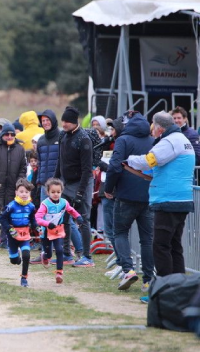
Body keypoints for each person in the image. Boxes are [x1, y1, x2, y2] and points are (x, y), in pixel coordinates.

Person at [126, 111, 195, 279]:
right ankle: (178, 287)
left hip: (168, 200)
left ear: (159, 127)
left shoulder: (169, 142)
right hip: (182, 199)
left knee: (160, 246)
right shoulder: (183, 140)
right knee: (174, 246)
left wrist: (128, 160)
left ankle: (164, 288)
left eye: (153, 126)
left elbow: (148, 160)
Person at [104, 112, 154, 291]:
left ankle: (128, 270)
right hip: (149, 195)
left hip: (125, 195)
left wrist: (108, 189)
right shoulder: (152, 140)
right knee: (147, 239)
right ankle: (148, 280)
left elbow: (115, 166)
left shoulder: (123, 140)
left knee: (120, 232)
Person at [54, 106, 95, 267]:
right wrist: (55, 180)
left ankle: (87, 256)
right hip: (65, 183)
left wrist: (80, 193)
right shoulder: (63, 135)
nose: (64, 124)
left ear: (75, 122)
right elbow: (60, 160)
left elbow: (87, 169)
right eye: (63, 121)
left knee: (83, 219)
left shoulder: (83, 139)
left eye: (67, 122)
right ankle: (66, 253)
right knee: (63, 218)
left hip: (81, 183)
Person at [0, 123, 27, 248]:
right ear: (2, 135)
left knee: (10, 214)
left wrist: (19, 183)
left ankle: (6, 239)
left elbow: (23, 167)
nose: (9, 136)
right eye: (7, 134)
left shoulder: (19, 148)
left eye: (12, 134)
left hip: (13, 187)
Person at [35, 178, 83, 284]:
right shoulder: (45, 204)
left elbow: (71, 210)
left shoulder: (63, 202)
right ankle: (45, 256)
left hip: (58, 231)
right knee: (48, 254)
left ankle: (59, 273)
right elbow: (37, 218)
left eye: (58, 192)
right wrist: (48, 224)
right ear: (48, 192)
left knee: (59, 250)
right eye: (53, 192)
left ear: (62, 191)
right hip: (46, 231)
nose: (56, 194)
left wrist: (78, 216)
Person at [0, 178, 38, 286]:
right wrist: (9, 229)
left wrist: (36, 226)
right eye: (21, 192)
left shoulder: (31, 206)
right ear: (16, 192)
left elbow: (32, 219)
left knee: (26, 254)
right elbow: (3, 219)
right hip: (13, 236)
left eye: (27, 192)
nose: (24, 194)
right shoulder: (11, 206)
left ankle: (24, 278)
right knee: (14, 260)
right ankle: (16, 258)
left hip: (25, 235)